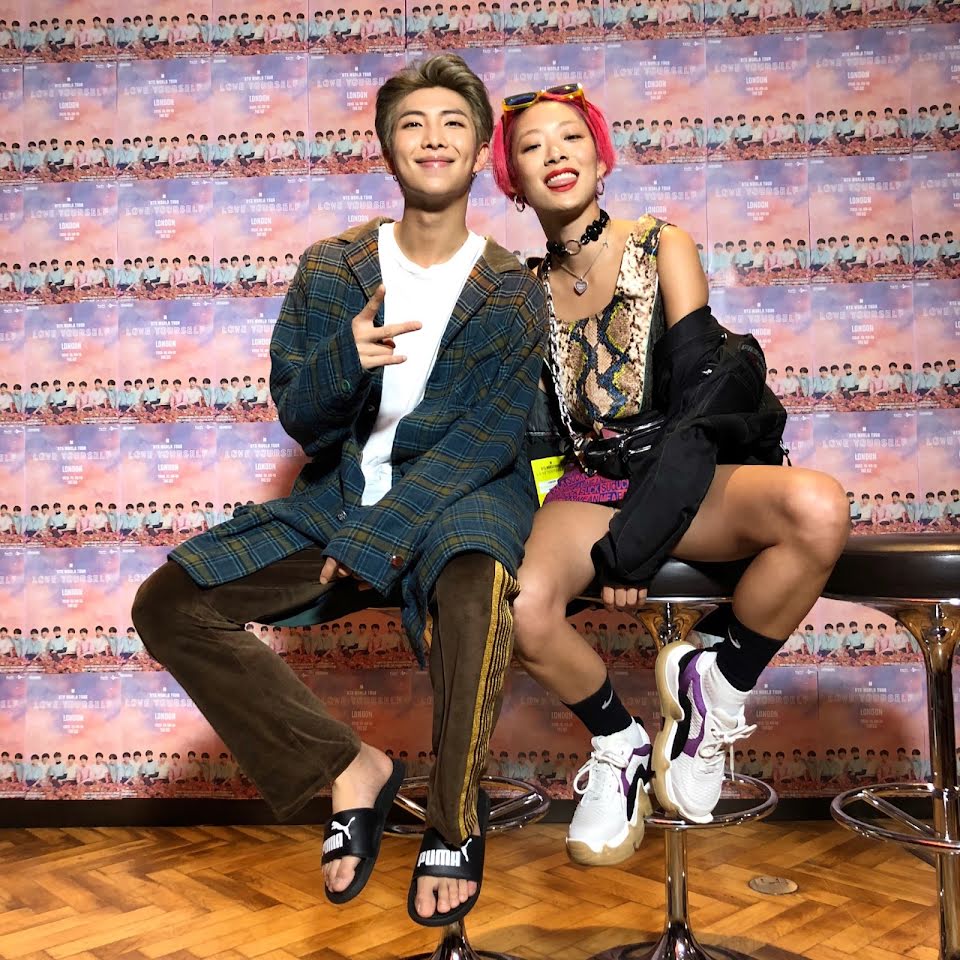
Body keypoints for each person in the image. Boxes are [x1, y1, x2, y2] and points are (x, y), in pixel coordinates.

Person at [131, 55, 546, 926]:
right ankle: (350, 768)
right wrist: (342, 361)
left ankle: (455, 821)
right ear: (389, 150)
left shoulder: (512, 291)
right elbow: (301, 415)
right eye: (412, 124)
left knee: (473, 581)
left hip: (464, 496)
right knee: (170, 603)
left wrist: (380, 539)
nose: (433, 138)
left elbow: (485, 441)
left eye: (453, 124)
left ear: (481, 152)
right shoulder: (333, 269)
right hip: (342, 495)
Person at [490, 83, 849, 865]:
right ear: (512, 181)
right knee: (520, 605)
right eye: (531, 147)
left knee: (818, 509)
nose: (554, 154)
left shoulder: (662, 245)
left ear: (600, 157)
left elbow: (698, 403)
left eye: (570, 138)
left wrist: (640, 541)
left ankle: (716, 683)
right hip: (590, 483)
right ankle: (617, 742)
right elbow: (537, 440)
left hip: (681, 470)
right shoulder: (518, 292)